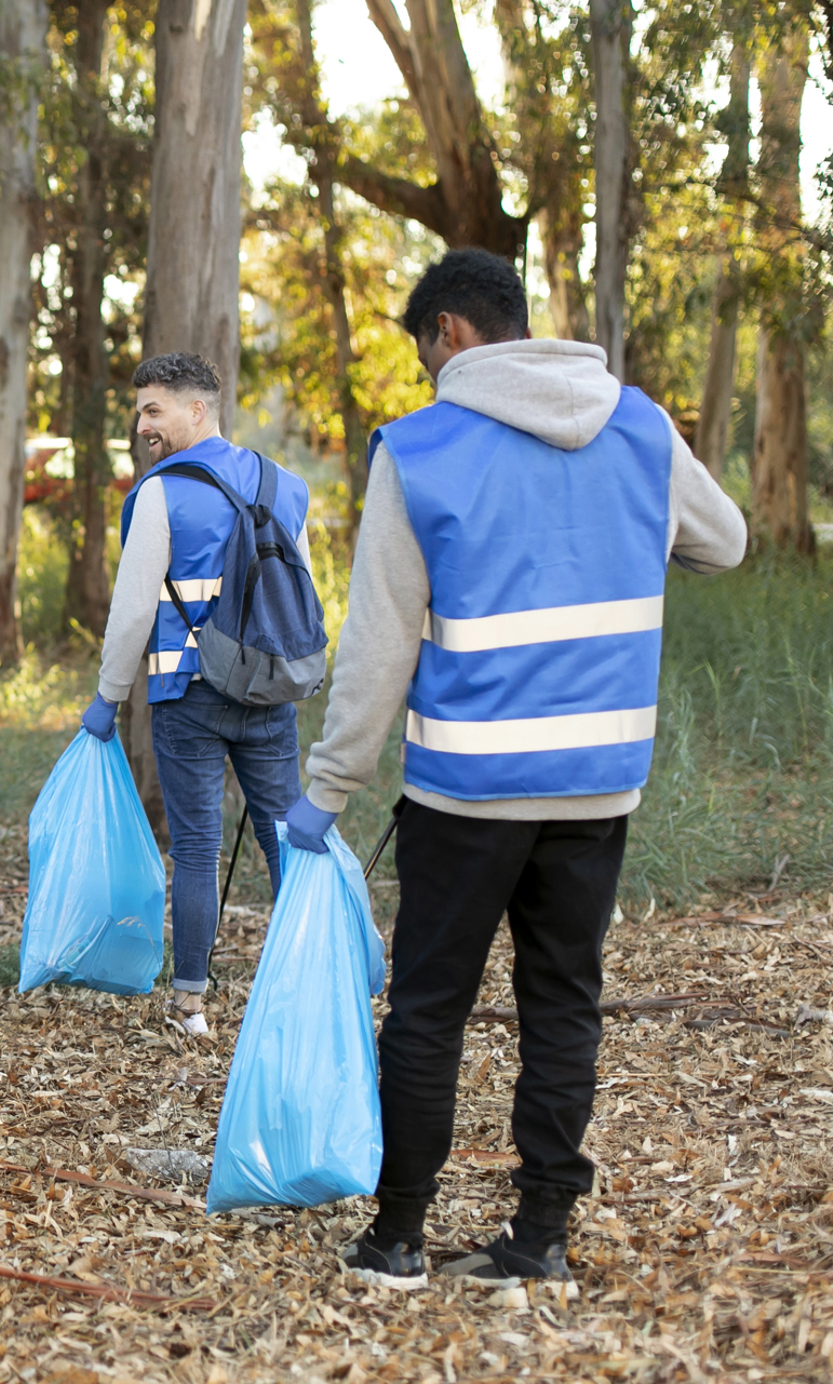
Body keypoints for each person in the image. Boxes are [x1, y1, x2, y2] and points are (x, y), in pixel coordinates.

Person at [288, 248, 746, 1290]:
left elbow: (379, 646)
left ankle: (397, 1236)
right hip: (596, 779)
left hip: (466, 788)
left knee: (430, 1008)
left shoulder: (423, 447)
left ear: (449, 331)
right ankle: (540, 1239)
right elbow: (726, 542)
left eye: (425, 354)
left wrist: (328, 788)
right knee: (563, 1004)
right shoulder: (637, 425)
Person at [80, 352, 314, 1038]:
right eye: (140, 410)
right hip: (270, 690)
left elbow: (131, 613)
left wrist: (108, 697)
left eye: (154, 410)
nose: (142, 423)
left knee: (198, 847)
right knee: (288, 843)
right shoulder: (285, 485)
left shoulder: (160, 492)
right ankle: (311, 985)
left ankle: (190, 1005)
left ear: (197, 410)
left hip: (188, 691)